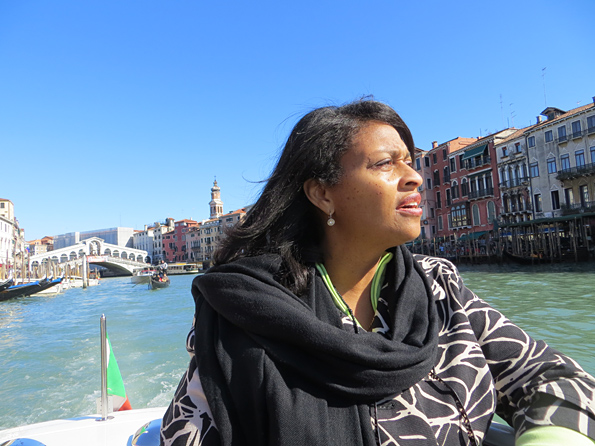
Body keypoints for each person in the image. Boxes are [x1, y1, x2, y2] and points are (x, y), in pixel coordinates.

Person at [161, 99, 595, 446]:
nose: (415, 178)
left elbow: (556, 378)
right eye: (386, 163)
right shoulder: (247, 317)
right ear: (322, 194)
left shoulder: (440, 289)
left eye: (411, 161)